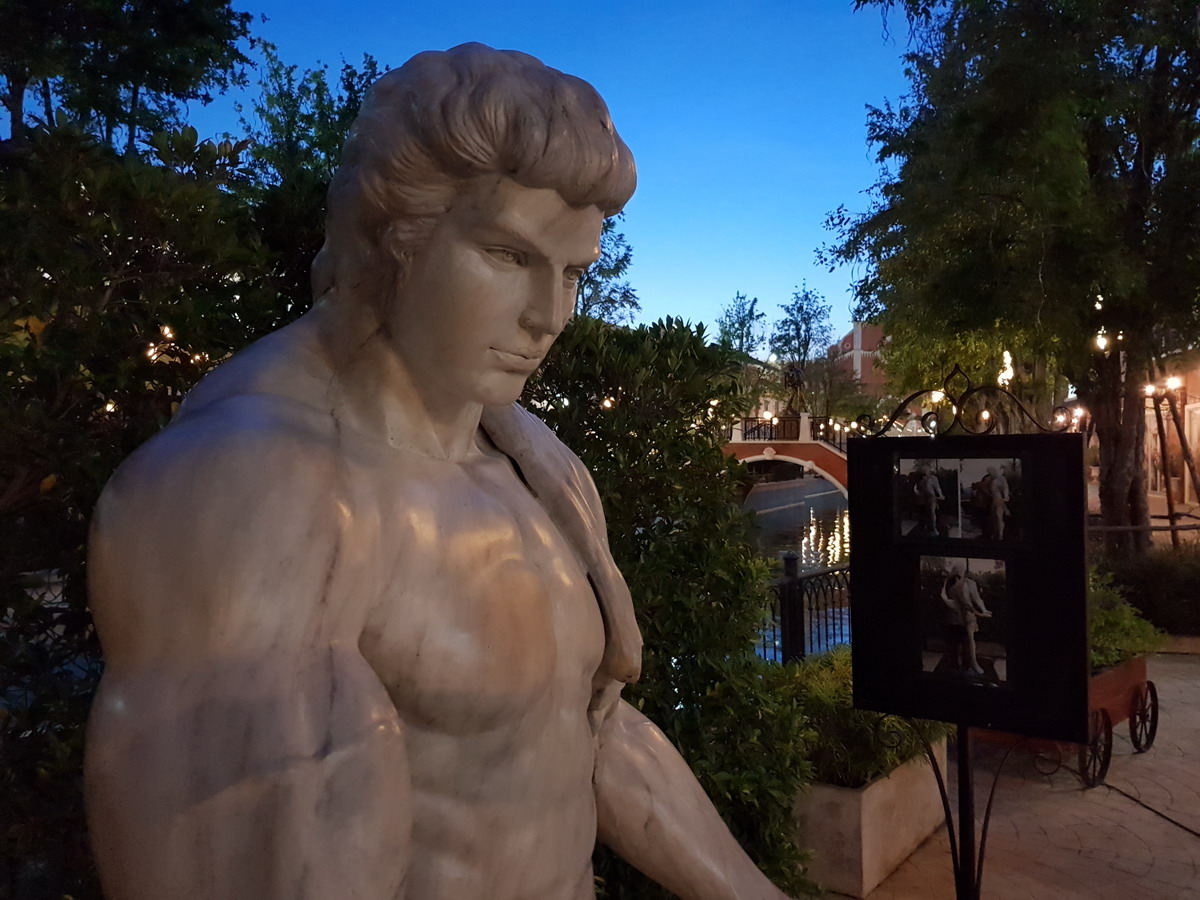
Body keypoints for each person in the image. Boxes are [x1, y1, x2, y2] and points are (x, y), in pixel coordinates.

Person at [84, 44, 792, 900]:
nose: (549, 316)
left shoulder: (540, 466)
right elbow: (240, 852)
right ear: (398, 240)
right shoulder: (250, 490)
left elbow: (580, 734)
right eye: (508, 256)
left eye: (574, 273)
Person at [942, 564, 992, 676]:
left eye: (962, 571)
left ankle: (970, 665)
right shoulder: (950, 584)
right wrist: (980, 613)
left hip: (967, 617)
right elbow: (948, 597)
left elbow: (976, 598)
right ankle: (955, 667)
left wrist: (983, 610)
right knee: (954, 643)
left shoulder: (970, 583)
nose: (960, 573)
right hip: (954, 618)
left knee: (968, 641)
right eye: (958, 571)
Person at [987, 464, 1010, 540]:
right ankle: (995, 533)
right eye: (989, 472)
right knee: (994, 518)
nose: (990, 473)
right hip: (994, 501)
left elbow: (1005, 488)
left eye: (990, 472)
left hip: (999, 500)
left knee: (999, 518)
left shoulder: (1001, 479)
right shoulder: (991, 480)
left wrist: (1006, 496)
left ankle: (1000, 534)